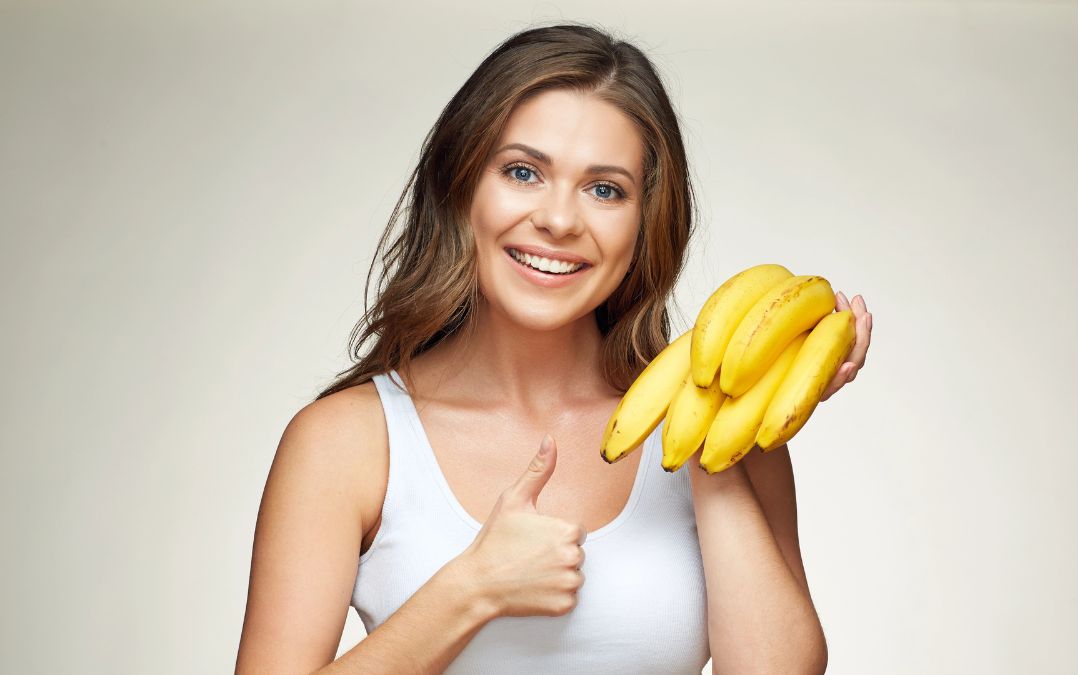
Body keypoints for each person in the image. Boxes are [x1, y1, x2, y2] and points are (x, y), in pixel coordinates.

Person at [235, 22, 872, 674]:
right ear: (463, 189)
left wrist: (709, 445)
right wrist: (472, 588)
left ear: (646, 222)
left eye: (605, 189)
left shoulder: (727, 434)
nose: (561, 220)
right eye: (522, 172)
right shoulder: (347, 442)